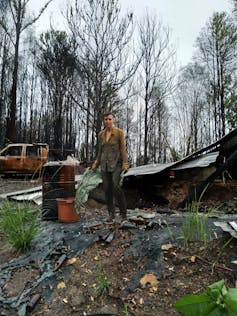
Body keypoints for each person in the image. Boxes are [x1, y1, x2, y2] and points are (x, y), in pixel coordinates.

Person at [92, 112, 129, 222]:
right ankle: (111, 214)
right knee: (107, 189)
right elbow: (100, 150)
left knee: (116, 186)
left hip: (116, 163)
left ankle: (123, 213)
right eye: (105, 119)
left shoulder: (119, 133)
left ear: (113, 120)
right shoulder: (101, 134)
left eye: (109, 119)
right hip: (104, 165)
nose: (107, 121)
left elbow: (123, 148)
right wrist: (96, 162)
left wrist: (125, 163)